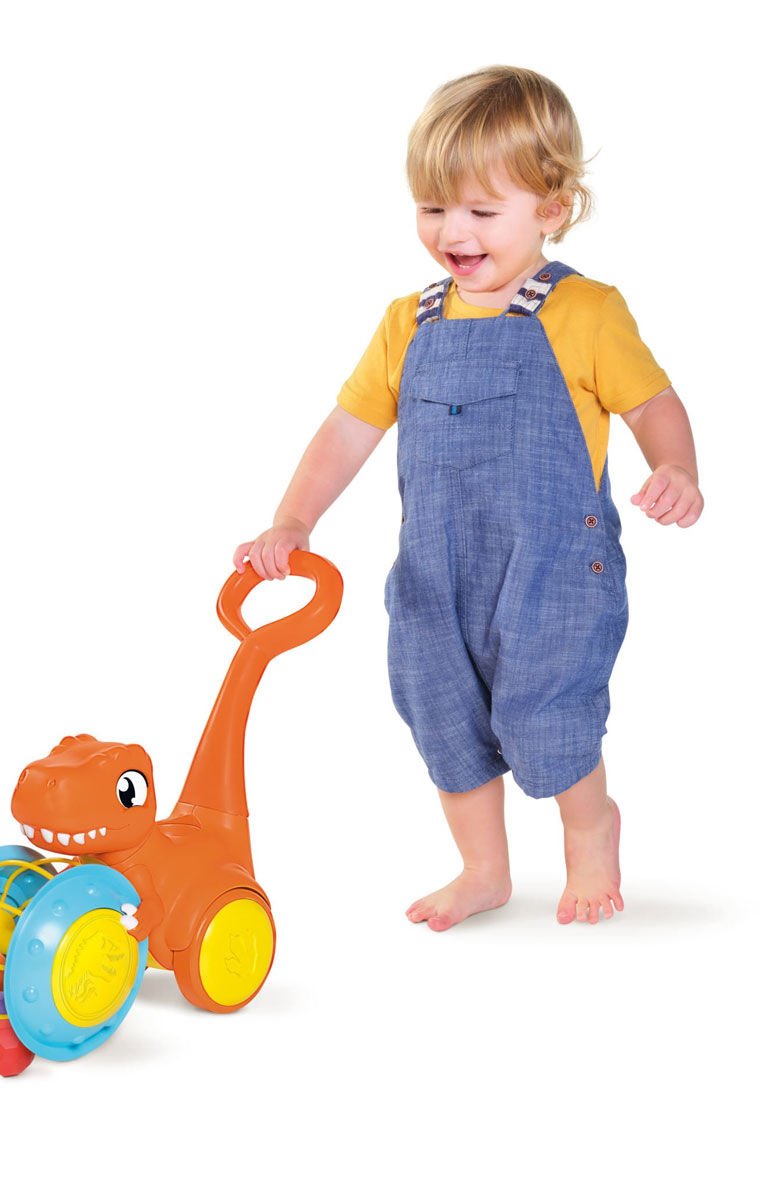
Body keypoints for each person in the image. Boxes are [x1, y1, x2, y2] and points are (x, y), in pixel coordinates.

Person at [234, 66, 703, 930]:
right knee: (440, 709)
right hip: (436, 572)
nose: (453, 232)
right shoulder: (407, 322)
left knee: (546, 709)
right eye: (433, 208)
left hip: (551, 569)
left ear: (552, 208)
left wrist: (676, 466)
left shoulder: (585, 312)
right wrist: (293, 519)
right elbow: (346, 430)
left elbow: (652, 405)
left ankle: (590, 829)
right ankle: (483, 868)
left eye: (482, 212)